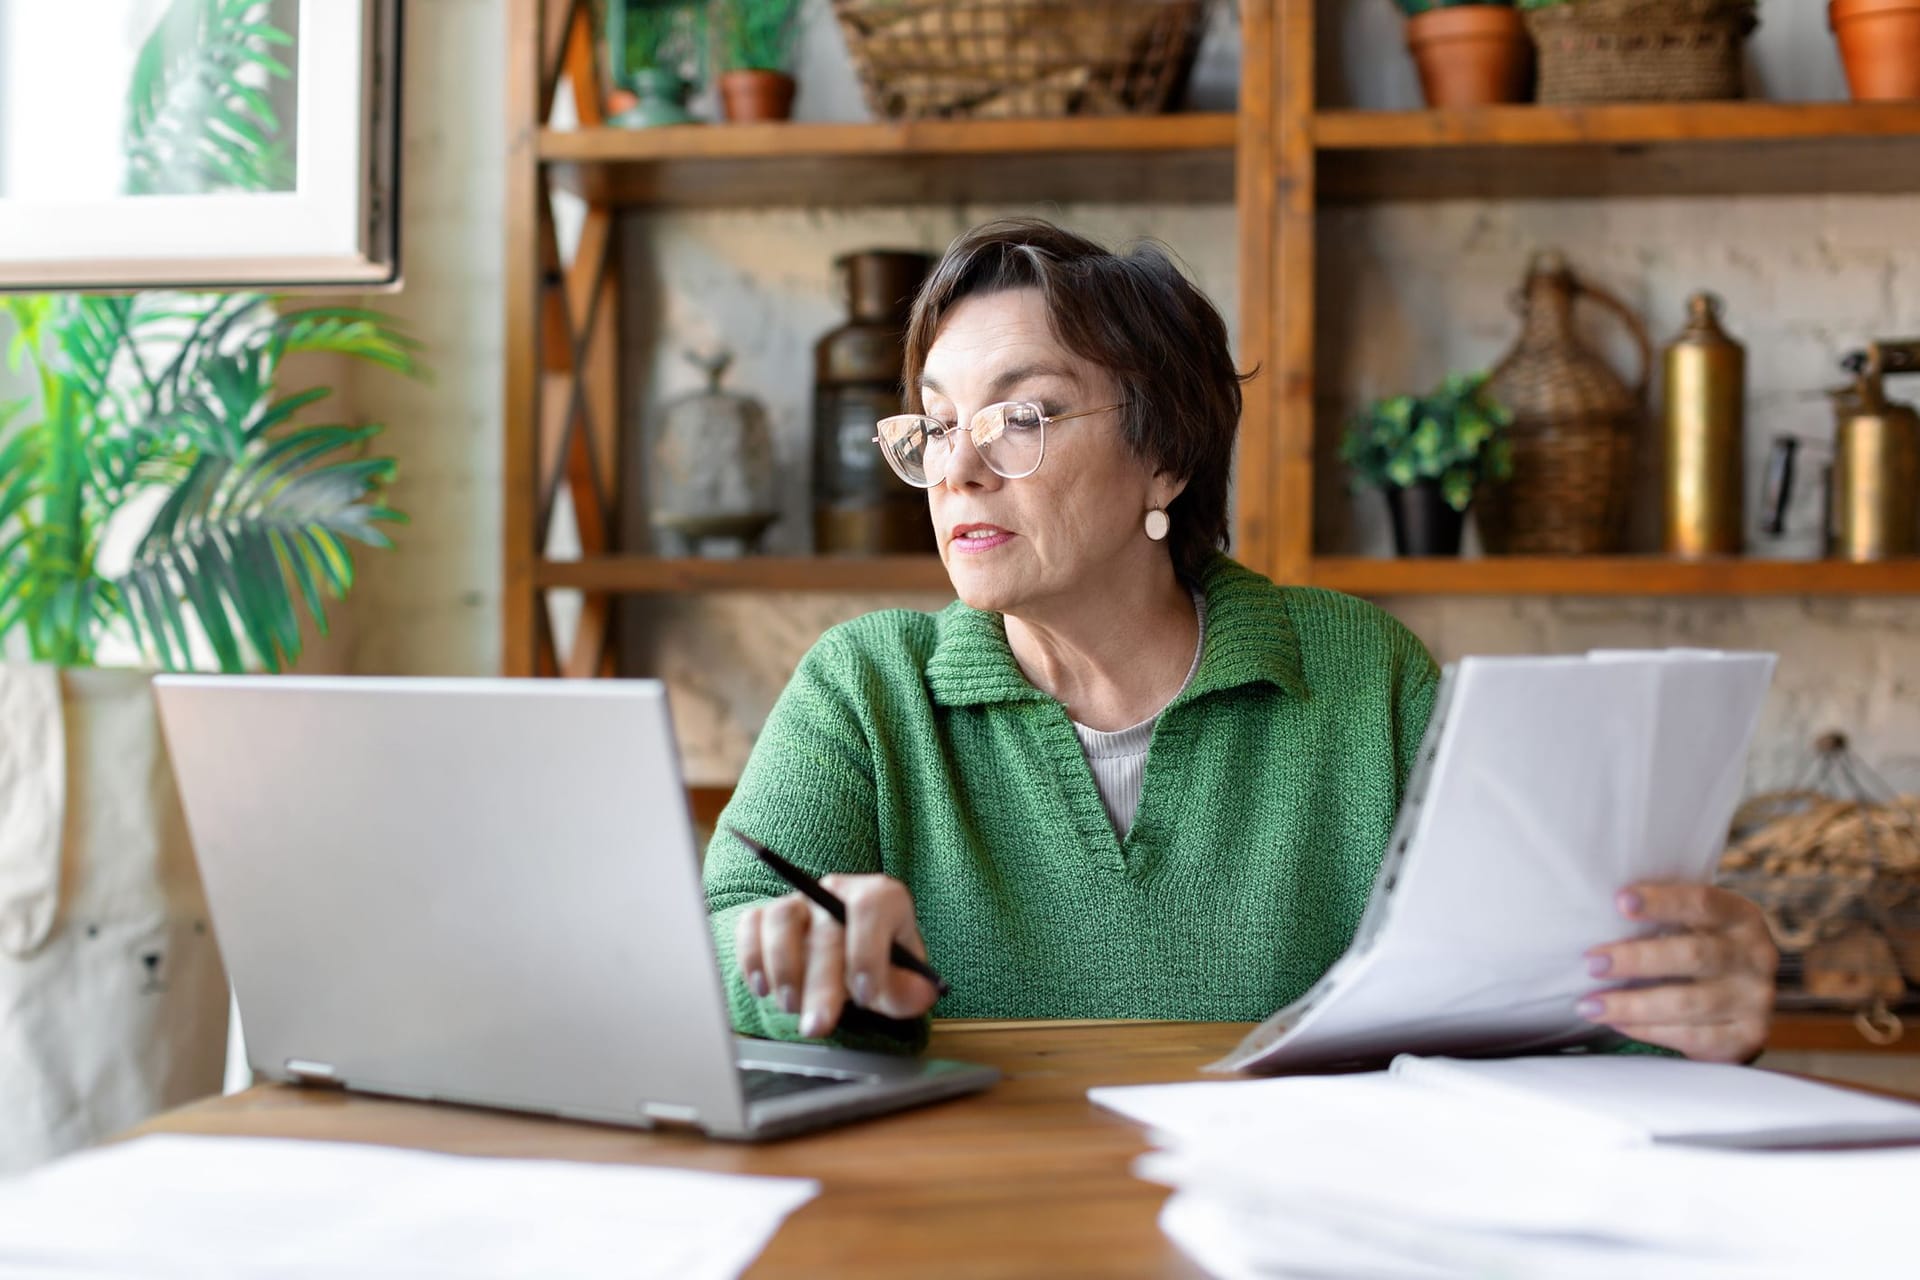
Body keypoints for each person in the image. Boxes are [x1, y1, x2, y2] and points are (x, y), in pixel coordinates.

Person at [703, 217, 1777, 1064]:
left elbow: (1549, 994)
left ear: (1165, 454)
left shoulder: (1367, 676)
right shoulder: (864, 686)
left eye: (1019, 418)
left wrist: (1687, 999)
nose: (957, 469)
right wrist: (800, 960)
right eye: (935, 425)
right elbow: (708, 943)